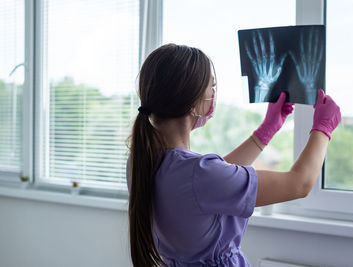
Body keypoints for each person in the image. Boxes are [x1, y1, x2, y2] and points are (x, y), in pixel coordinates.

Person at [126, 43, 341, 267]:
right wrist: (323, 128)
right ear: (192, 104)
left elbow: (211, 183)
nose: (214, 93)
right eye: (212, 86)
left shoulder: (142, 161)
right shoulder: (199, 175)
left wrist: (266, 130)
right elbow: (300, 183)